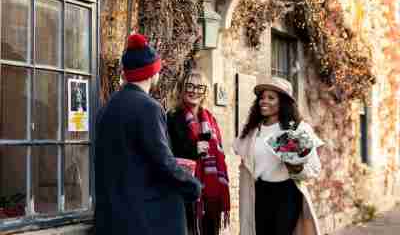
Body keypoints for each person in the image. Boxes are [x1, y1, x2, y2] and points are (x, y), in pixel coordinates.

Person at [94, 33, 202, 235]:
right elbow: (162, 160)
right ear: (153, 74)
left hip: (110, 215)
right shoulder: (149, 108)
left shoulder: (106, 107)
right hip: (140, 217)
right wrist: (191, 185)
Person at [233, 76, 324, 235]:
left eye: (271, 98)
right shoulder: (252, 130)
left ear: (282, 102)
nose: (264, 101)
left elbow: (314, 168)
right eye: (262, 97)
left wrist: (296, 167)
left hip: (287, 193)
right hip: (259, 192)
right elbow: (245, 162)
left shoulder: (296, 129)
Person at [167, 70, 230, 235]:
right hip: (186, 189)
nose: (194, 91)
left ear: (204, 92)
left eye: (199, 87)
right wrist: (193, 150)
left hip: (210, 193)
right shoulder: (173, 118)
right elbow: (168, 152)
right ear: (181, 89)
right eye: (189, 86)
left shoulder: (210, 119)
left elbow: (219, 153)